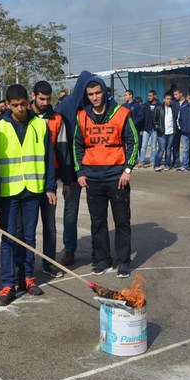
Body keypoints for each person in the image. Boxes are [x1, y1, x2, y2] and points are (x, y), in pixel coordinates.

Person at [0, 84, 56, 306]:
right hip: (9, 192)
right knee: (9, 238)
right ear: (8, 105)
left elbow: (49, 159)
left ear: (27, 102)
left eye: (22, 104)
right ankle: (8, 284)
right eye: (15, 105)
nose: (20, 108)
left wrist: (50, 187)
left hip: (33, 190)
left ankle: (27, 278)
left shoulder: (40, 125)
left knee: (29, 237)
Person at [73, 76, 138, 278]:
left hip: (116, 176)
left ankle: (123, 262)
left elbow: (133, 142)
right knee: (97, 222)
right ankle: (102, 260)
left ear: (105, 92)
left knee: (122, 221)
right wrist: (80, 172)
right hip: (93, 178)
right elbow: (77, 146)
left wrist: (128, 169)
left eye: (98, 93)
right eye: (90, 94)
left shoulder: (122, 113)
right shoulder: (81, 116)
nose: (94, 97)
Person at [29, 80, 72, 278]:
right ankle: (25, 267)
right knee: (26, 229)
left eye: (48, 99)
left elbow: (63, 151)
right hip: (26, 181)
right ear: (33, 96)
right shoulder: (22, 117)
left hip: (50, 181)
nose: (45, 102)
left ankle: (49, 263)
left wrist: (67, 181)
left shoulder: (57, 119)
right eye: (42, 98)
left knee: (50, 226)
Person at [56, 70, 94, 266]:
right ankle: (69, 249)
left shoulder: (96, 105)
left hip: (95, 168)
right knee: (70, 211)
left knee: (97, 210)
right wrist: (65, 175)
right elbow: (61, 145)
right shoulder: (65, 107)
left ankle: (99, 249)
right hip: (72, 170)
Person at [153, 92, 178, 171]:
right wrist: (158, 129)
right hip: (162, 133)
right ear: (164, 99)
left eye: (170, 99)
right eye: (167, 99)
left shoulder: (173, 109)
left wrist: (175, 130)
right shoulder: (158, 108)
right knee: (161, 149)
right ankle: (157, 165)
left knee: (169, 148)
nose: (169, 100)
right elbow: (154, 120)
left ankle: (167, 164)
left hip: (171, 133)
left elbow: (176, 120)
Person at [139, 90, 161, 168]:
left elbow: (161, 118)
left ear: (155, 96)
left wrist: (159, 127)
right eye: (148, 96)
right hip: (146, 128)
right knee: (143, 146)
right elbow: (142, 117)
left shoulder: (159, 105)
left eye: (150, 96)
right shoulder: (145, 105)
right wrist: (141, 129)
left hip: (154, 129)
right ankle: (141, 162)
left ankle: (152, 161)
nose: (149, 97)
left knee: (153, 146)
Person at [122, 90, 144, 166]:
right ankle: (129, 160)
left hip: (135, 129)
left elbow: (141, 117)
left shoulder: (137, 105)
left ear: (131, 95)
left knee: (137, 145)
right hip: (125, 130)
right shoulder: (123, 106)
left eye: (126, 95)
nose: (124, 97)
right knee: (127, 145)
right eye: (124, 95)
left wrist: (132, 124)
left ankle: (138, 161)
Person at [171, 88, 187, 168]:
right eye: (174, 95)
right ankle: (176, 161)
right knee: (175, 145)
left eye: (176, 94)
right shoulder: (173, 103)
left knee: (186, 146)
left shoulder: (187, 102)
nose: (175, 96)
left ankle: (187, 162)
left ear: (181, 94)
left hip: (185, 127)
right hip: (176, 127)